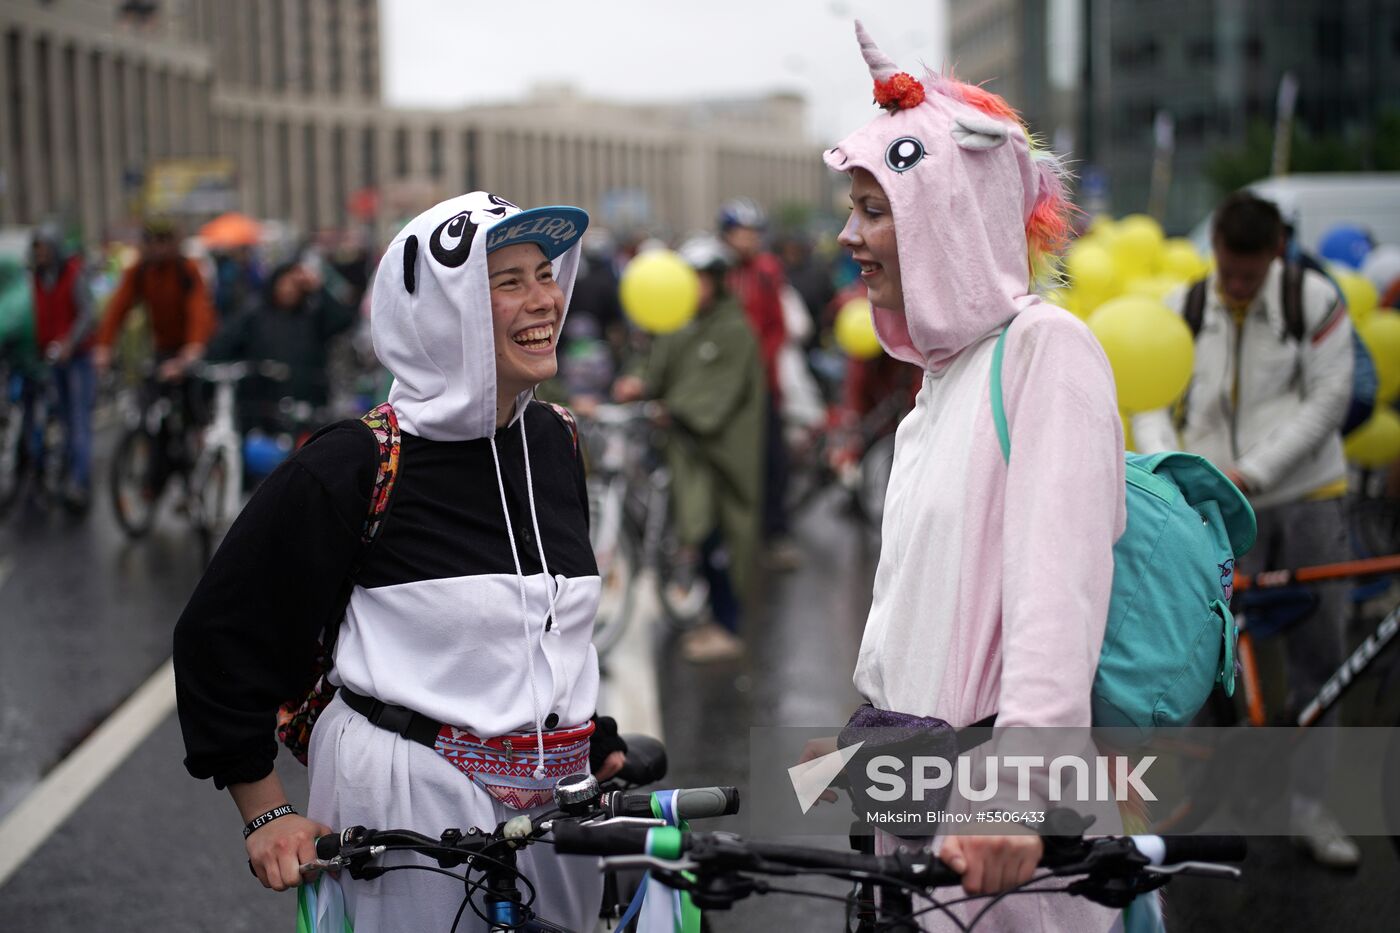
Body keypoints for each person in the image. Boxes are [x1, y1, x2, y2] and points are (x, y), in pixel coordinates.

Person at [173, 191, 626, 932]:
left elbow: (543, 628)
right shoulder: (357, 462)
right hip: (409, 807)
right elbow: (220, 633)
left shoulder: (558, 440)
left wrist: (589, 736)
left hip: (558, 803)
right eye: (507, 282)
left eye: (545, 273)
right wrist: (266, 811)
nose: (544, 299)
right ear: (439, 313)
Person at [821, 23, 1126, 930]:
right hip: (914, 803)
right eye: (854, 205)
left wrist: (1019, 792)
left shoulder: (1046, 351)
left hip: (994, 835)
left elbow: (1055, 593)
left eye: (876, 207)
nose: (849, 234)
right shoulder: (942, 380)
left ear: (946, 214)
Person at [1133, 191, 1359, 868]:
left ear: (1275, 254)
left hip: (1307, 495)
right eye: (1227, 270)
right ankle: (1200, 812)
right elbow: (1151, 395)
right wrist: (1180, 472)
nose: (1234, 285)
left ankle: (1309, 806)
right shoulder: (1185, 306)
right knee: (1203, 654)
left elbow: (1329, 399)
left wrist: (1254, 471)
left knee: (1324, 657)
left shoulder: (1314, 301)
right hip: (1213, 503)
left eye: (1248, 274)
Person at [612, 236, 766, 663]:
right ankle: (712, 618)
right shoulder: (682, 325)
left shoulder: (734, 330)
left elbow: (714, 395)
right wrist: (639, 383)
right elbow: (658, 368)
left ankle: (728, 625)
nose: (693, 288)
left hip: (719, 453)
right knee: (698, 533)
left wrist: (673, 408)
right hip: (687, 448)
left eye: (701, 279)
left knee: (722, 535)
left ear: (717, 282)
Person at [719, 197, 801, 568]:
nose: (747, 240)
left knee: (772, 460)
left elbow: (776, 328)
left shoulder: (768, 271)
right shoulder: (714, 270)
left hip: (761, 383)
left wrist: (756, 365)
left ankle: (775, 534)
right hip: (720, 385)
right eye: (740, 233)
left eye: (753, 233)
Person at [205, 260, 357, 431]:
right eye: (284, 283)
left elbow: (344, 321)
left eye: (294, 284)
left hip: (306, 407)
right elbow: (223, 344)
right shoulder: (255, 315)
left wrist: (318, 288)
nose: (288, 290)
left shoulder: (312, 316)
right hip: (262, 410)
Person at [25, 225, 97, 510]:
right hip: (52, 358)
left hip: (77, 358)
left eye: (44, 248)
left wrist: (70, 342)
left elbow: (88, 313)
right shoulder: (39, 278)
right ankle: (66, 476)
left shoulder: (73, 274)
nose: (40, 254)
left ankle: (80, 482)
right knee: (63, 422)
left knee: (79, 422)